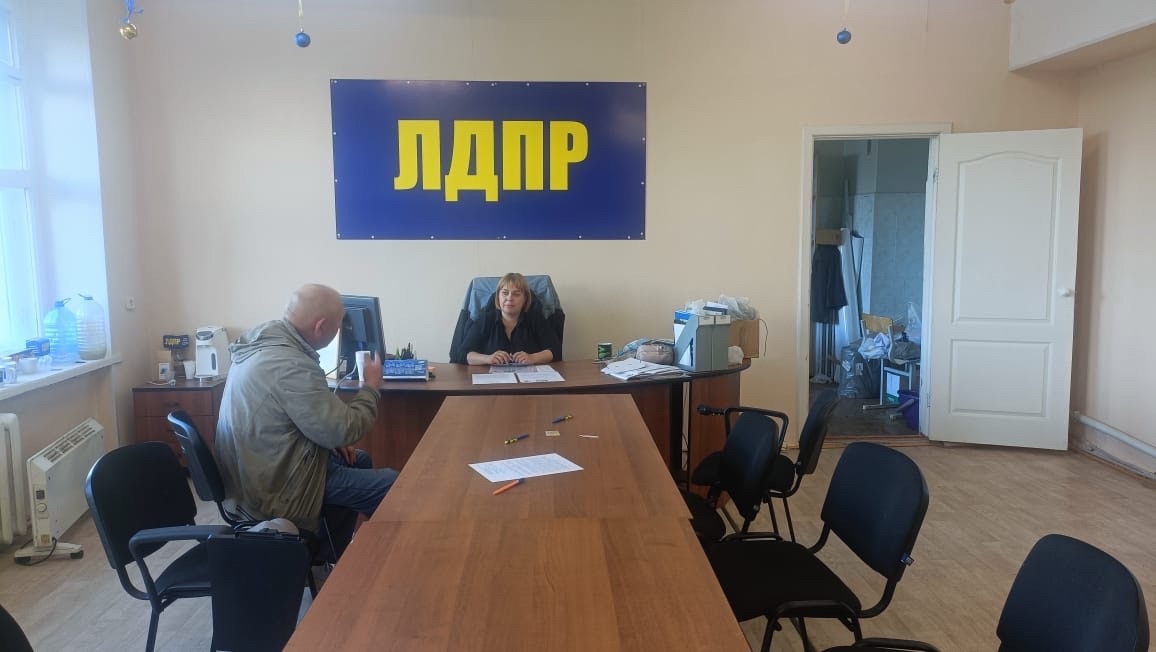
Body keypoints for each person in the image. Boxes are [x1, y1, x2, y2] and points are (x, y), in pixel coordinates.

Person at [214, 283, 397, 559]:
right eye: (339, 326)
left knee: (358, 460)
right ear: (320, 326)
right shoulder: (291, 366)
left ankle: (327, 557)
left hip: (257, 474)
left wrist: (328, 439)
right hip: (274, 490)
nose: (340, 332)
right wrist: (371, 387)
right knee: (393, 486)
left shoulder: (264, 346)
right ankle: (383, 564)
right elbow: (346, 429)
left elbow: (288, 420)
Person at [463, 272, 561, 365]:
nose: (509, 298)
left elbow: (556, 351)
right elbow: (462, 353)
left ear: (525, 299)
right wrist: (487, 358)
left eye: (516, 294)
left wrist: (533, 358)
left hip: (529, 375)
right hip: (492, 375)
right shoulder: (485, 320)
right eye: (505, 293)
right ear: (498, 297)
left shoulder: (536, 319)